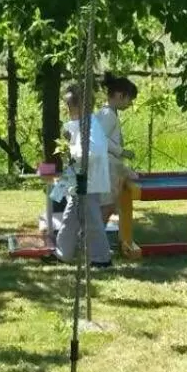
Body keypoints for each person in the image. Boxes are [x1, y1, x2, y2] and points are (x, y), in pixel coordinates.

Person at [52, 82, 113, 267]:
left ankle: (101, 258)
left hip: (89, 180)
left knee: (92, 220)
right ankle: (63, 253)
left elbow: (92, 151)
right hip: (79, 179)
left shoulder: (90, 125)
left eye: (69, 106)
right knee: (70, 217)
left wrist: (73, 153)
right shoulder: (81, 124)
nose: (67, 109)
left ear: (80, 106)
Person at [94, 74, 139, 223]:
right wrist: (122, 151)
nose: (130, 104)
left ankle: (94, 237)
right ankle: (93, 239)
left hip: (107, 165)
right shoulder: (109, 115)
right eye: (130, 99)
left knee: (109, 205)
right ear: (120, 96)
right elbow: (101, 139)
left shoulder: (105, 112)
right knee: (107, 206)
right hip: (107, 166)